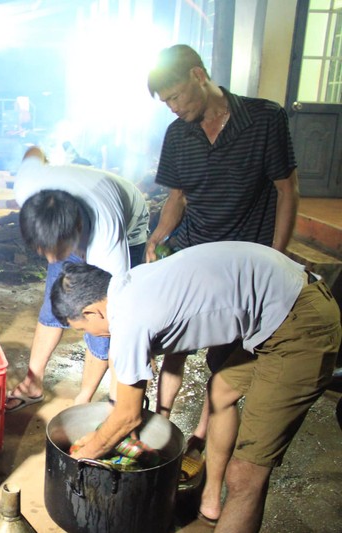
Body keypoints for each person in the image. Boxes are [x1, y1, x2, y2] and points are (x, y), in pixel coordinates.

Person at [51, 242, 340, 532]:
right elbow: (126, 372)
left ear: (91, 312)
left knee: (246, 474)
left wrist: (80, 457)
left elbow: (128, 415)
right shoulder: (131, 284)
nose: (88, 334)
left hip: (301, 325)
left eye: (81, 328)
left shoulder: (129, 319)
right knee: (221, 390)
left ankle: (232, 498)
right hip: (284, 305)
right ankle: (210, 503)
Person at [145, 44, 300, 459]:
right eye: (166, 102)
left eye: (175, 96)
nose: (173, 108)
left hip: (243, 260)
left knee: (223, 358)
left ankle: (201, 435)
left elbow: (287, 191)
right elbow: (177, 197)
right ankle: (160, 420)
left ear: (198, 75)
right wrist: (157, 238)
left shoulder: (265, 118)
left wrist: (277, 257)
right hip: (195, 250)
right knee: (174, 341)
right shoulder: (178, 134)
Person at [5, 146, 149, 412]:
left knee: (98, 317)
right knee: (54, 302)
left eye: (57, 254)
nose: (51, 261)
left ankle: (84, 396)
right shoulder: (27, 189)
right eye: (43, 253)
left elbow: (119, 322)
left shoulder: (108, 243)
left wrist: (121, 404)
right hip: (65, 221)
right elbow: (33, 151)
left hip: (130, 223)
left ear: (77, 234)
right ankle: (32, 383)